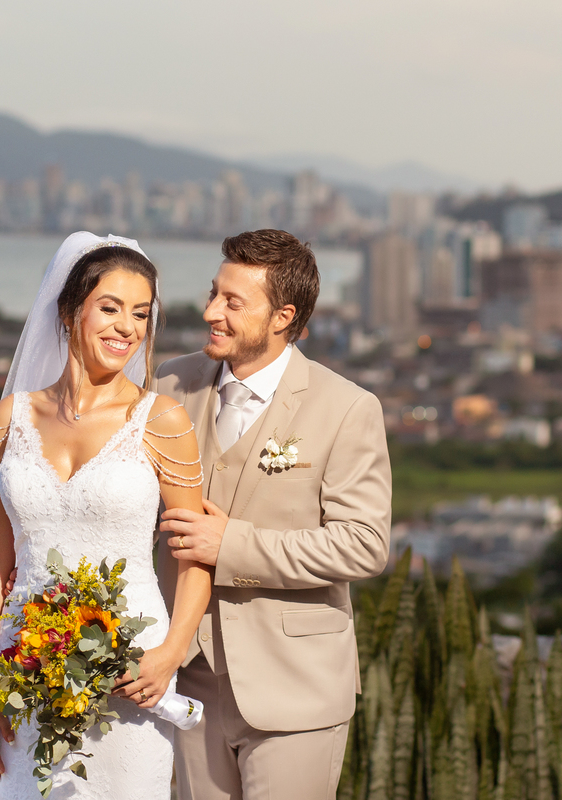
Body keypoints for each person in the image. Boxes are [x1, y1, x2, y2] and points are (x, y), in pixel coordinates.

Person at [0, 233, 211, 800]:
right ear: (71, 311)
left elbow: (195, 552)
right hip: (24, 669)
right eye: (110, 308)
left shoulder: (161, 420)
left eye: (141, 313)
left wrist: (169, 655)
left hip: (131, 672)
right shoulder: (8, 420)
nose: (127, 327)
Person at [154, 229, 392, 800]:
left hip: (296, 688)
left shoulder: (347, 408)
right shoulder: (166, 384)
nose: (211, 311)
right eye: (215, 293)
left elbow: (363, 543)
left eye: (233, 303)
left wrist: (230, 545)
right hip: (185, 682)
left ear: (283, 316)